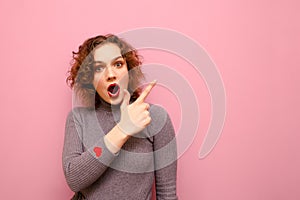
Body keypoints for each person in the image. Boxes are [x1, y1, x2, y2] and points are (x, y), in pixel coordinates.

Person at [63, 34, 178, 200]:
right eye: (99, 68)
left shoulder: (154, 117)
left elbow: (167, 195)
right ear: (90, 79)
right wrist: (123, 129)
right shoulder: (78, 118)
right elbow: (74, 179)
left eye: (118, 64)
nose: (111, 74)